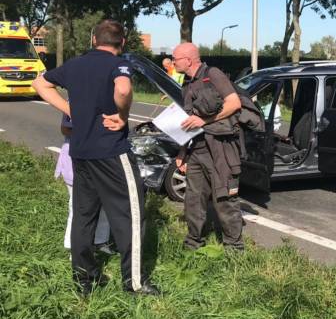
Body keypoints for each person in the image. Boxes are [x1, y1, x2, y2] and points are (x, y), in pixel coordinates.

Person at [32, 19, 159, 296]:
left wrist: (69, 108)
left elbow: (39, 83)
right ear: (122, 43)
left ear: (93, 40)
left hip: (81, 152)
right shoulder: (118, 64)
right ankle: (134, 283)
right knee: (131, 215)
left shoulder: (75, 65)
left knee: (83, 216)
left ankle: (84, 280)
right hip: (111, 151)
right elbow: (123, 89)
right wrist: (123, 115)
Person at [172, 42, 244, 251]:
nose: (173, 61)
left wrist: (206, 120)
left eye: (175, 58)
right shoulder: (187, 83)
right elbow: (188, 121)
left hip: (220, 148)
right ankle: (194, 243)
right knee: (193, 200)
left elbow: (234, 103)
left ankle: (235, 250)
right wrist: (182, 152)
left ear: (188, 60)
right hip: (197, 150)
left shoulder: (213, 74)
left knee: (224, 199)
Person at [55, 112, 112, 253]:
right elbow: (65, 129)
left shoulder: (107, 98)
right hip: (76, 158)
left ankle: (100, 241)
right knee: (77, 206)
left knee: (105, 204)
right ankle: (73, 246)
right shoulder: (73, 100)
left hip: (103, 159)